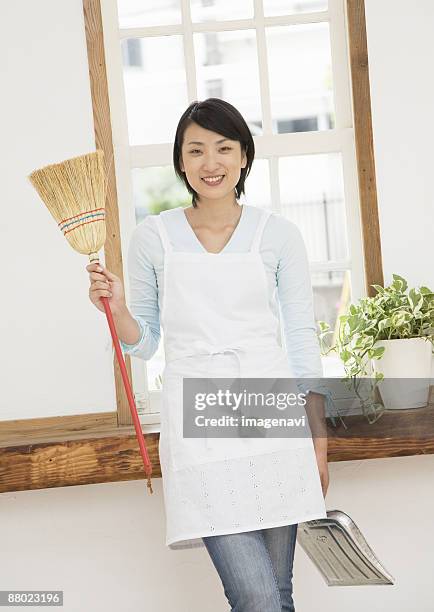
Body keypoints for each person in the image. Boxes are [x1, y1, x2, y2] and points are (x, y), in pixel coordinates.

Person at [87, 98, 330, 611]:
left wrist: (319, 440)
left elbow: (302, 338)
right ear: (180, 161)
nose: (210, 162)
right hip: (197, 416)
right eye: (195, 150)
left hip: (270, 409)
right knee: (258, 597)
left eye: (224, 148)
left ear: (244, 157)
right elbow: (145, 341)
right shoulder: (152, 237)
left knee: (280, 594)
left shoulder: (278, 235)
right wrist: (117, 307)